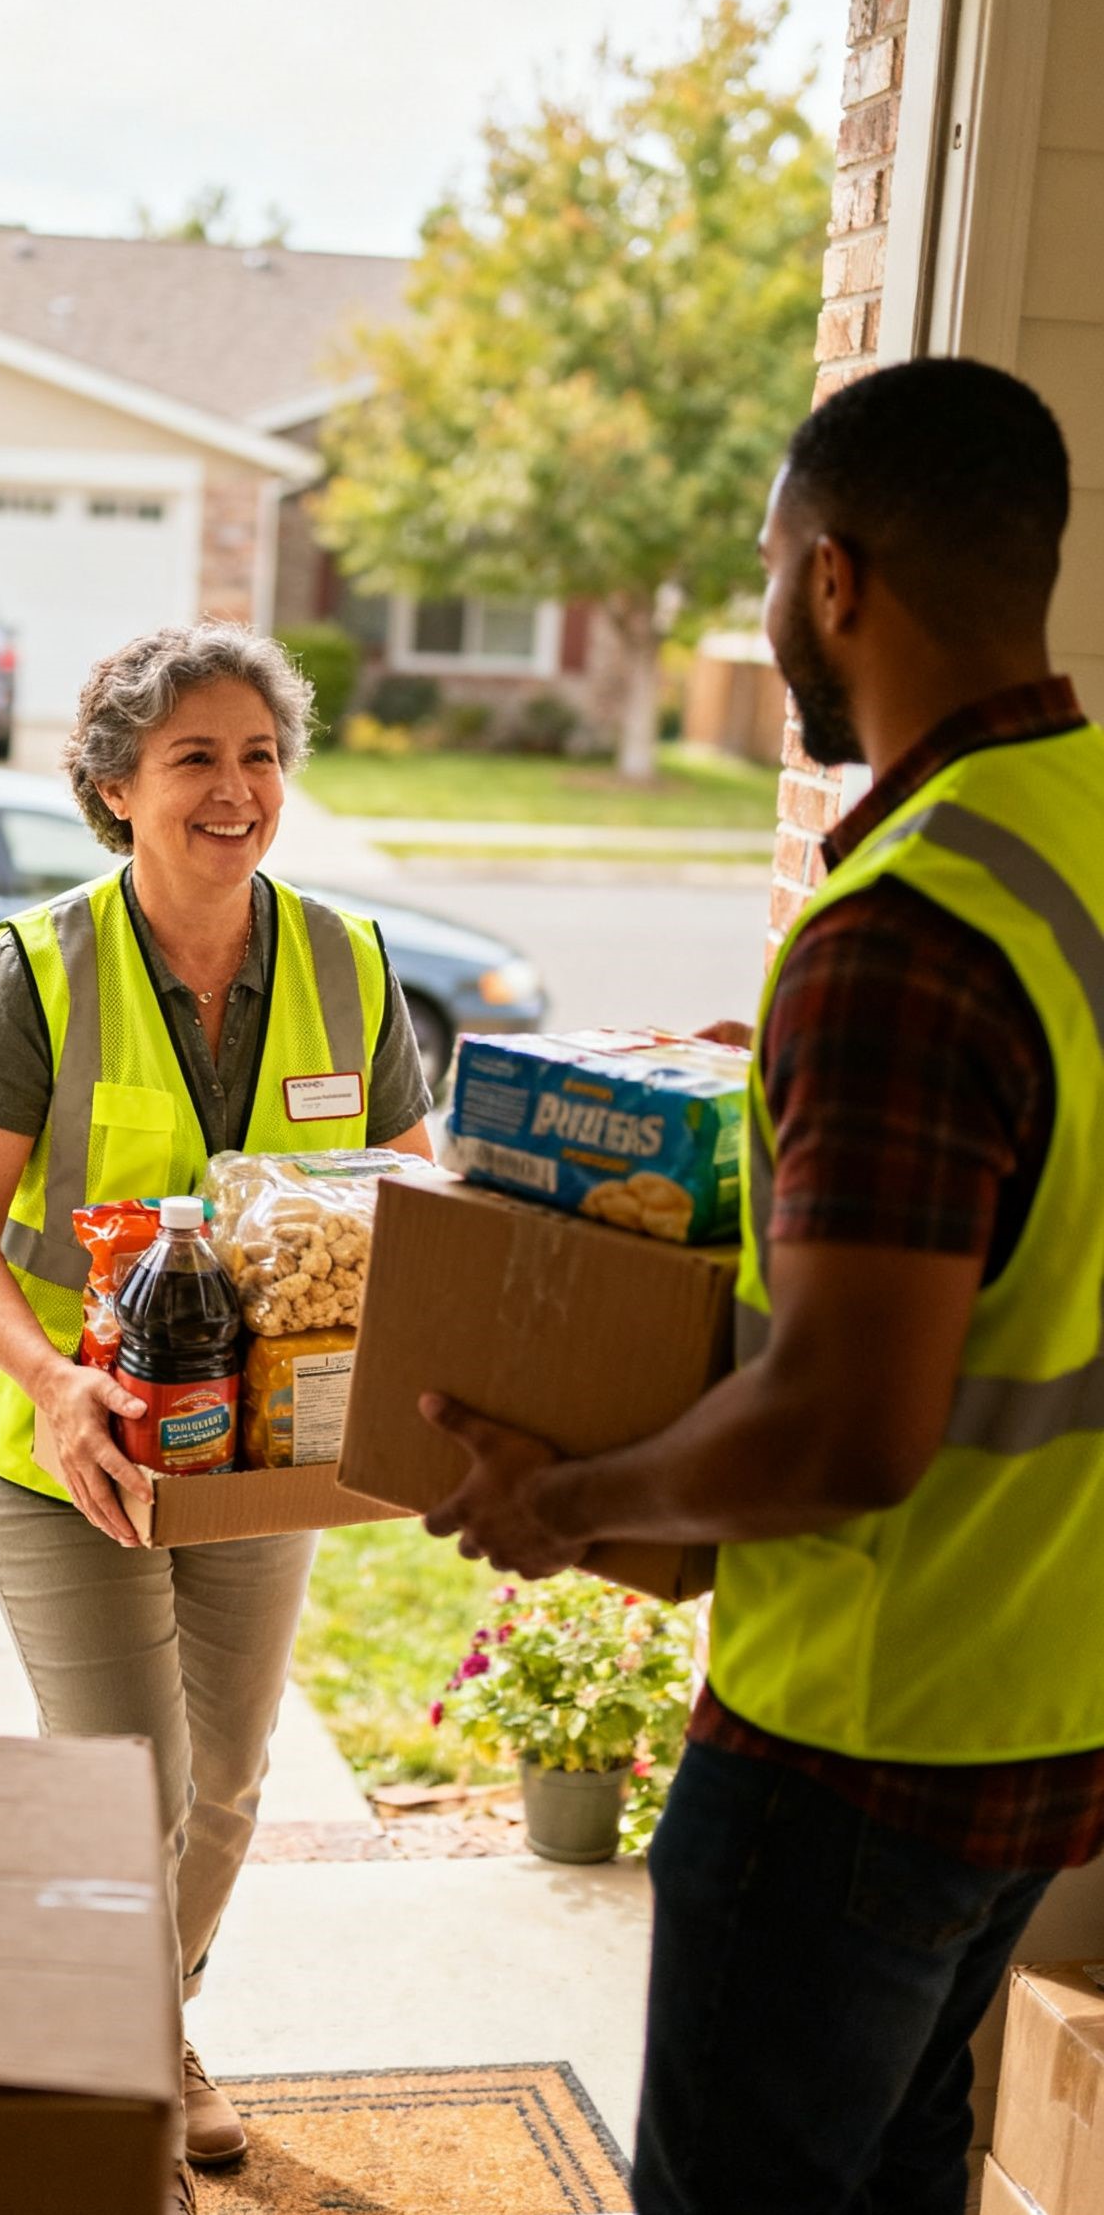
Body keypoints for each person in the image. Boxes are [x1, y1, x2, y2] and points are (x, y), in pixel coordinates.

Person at [419, 358, 1104, 2215]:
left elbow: (845, 1424)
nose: (768, 591)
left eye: (772, 551)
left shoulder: (907, 931)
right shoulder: (1078, 836)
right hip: (1054, 1707)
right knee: (900, 2173)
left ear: (839, 580)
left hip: (859, 1743)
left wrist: (561, 1503)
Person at [0, 623, 433, 2213]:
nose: (237, 788)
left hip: (264, 1455)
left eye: (262, 755)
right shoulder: (39, 969)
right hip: (66, 1447)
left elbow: (417, 1194)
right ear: (114, 786)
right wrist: (59, 1379)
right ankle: (120, 2079)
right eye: (195, 757)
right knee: (126, 1779)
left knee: (227, 1779)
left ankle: (158, 2030)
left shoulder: (348, 962)